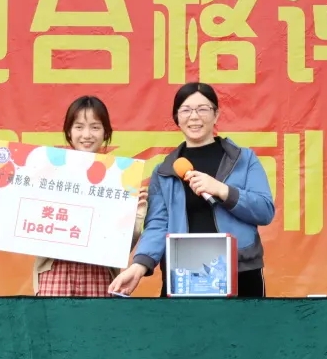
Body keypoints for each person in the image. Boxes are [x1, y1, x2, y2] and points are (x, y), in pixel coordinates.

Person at [108, 82, 275, 298]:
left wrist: (222, 190)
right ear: (176, 118)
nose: (194, 117)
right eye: (186, 110)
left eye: (203, 109)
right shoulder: (165, 171)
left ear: (216, 115)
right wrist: (139, 266)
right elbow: (157, 225)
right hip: (183, 273)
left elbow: (264, 210)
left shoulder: (243, 159)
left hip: (240, 271)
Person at [31, 95, 148, 297]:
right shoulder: (48, 174)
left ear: (106, 132)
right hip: (56, 272)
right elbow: (24, 221)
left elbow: (123, 245)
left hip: (99, 274)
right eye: (79, 127)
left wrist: (136, 215)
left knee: (98, 320)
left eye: (95, 127)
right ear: (69, 131)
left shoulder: (119, 180)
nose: (87, 135)